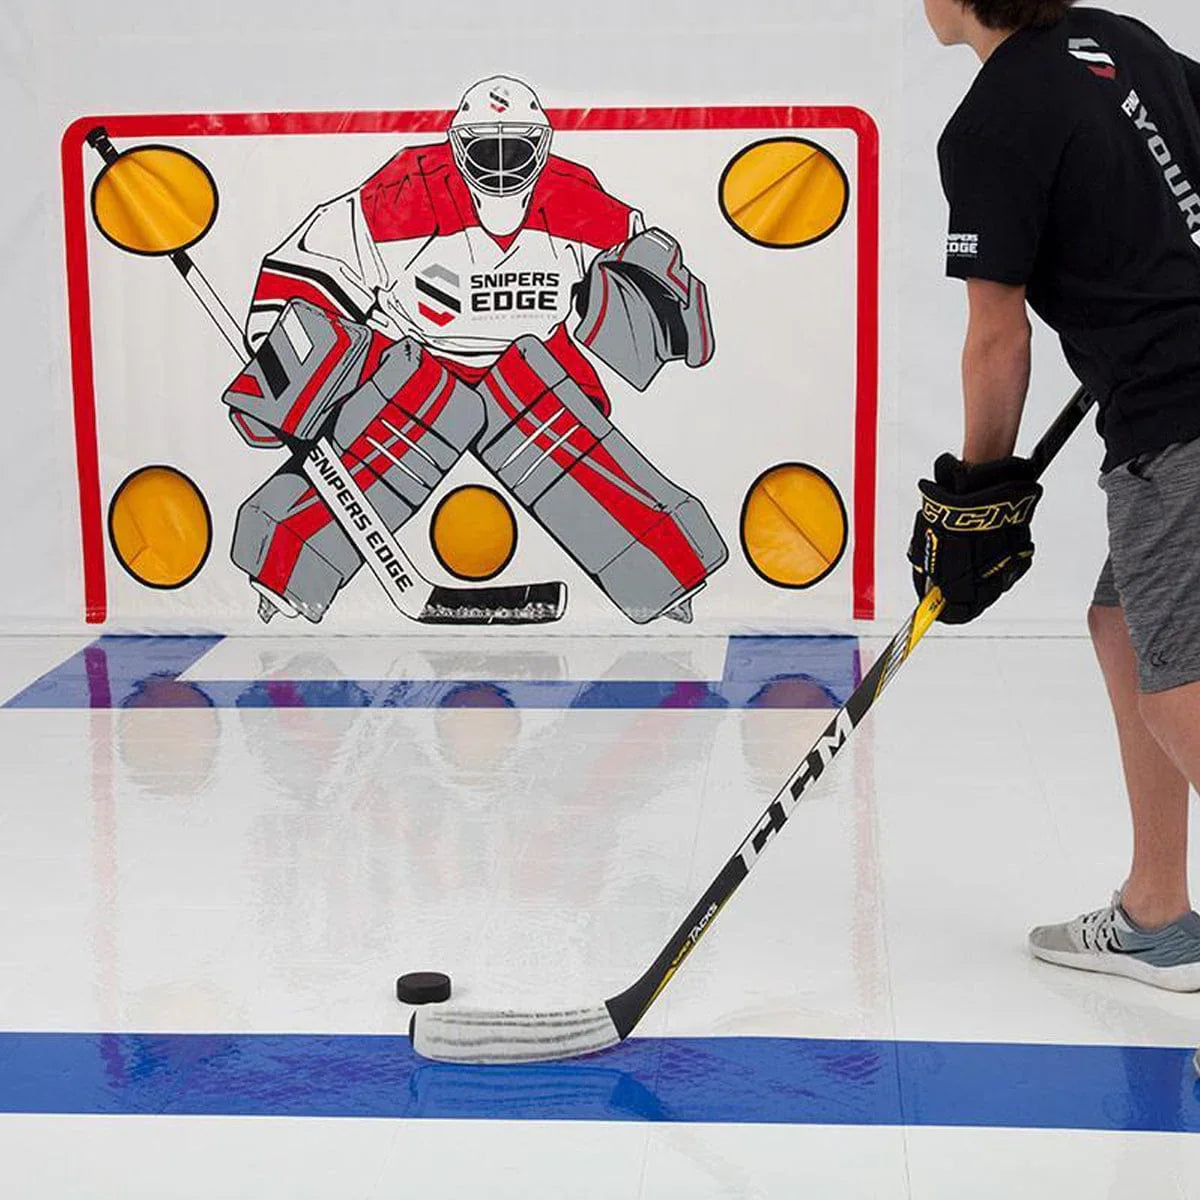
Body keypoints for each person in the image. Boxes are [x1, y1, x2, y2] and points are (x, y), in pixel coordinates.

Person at [914, 0, 1200, 1002]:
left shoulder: (990, 121)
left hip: (1177, 423)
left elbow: (999, 336)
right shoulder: (1118, 39)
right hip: (1174, 404)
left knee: (1179, 687)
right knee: (1121, 627)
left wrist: (976, 498)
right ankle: (1158, 914)